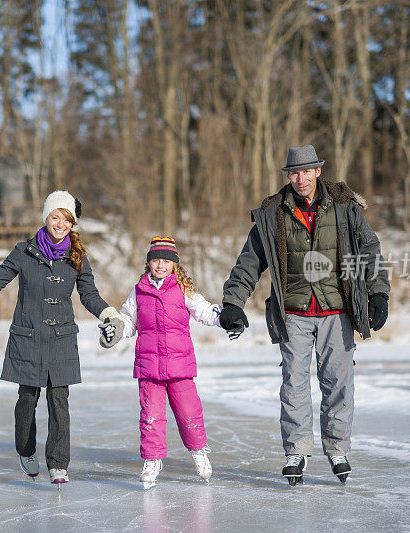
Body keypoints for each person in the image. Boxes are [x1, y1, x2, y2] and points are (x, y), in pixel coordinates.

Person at [0, 190, 124, 486]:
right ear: (46, 218)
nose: (60, 224)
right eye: (55, 217)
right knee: (27, 399)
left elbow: (89, 295)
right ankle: (26, 450)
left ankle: (58, 464)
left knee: (60, 400)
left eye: (66, 219)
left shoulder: (77, 255)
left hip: (61, 338)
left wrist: (111, 316)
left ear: (72, 224)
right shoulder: (24, 251)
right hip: (28, 336)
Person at [219, 145, 390, 485]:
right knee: (294, 384)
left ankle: (337, 448)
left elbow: (369, 249)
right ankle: (296, 449)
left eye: (306, 172)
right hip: (293, 312)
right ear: (288, 176)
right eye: (293, 173)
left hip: (337, 309)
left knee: (338, 383)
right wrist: (233, 301)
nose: (300, 179)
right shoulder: (273, 215)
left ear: (317, 172)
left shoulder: (345, 208)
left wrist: (378, 292)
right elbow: (250, 262)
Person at [101, 236, 223, 487]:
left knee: (189, 414)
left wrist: (225, 317)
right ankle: (152, 460)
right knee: (151, 417)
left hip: (180, 367)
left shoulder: (183, 289)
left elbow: (204, 312)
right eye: (155, 260)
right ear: (148, 264)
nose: (160, 265)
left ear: (174, 265)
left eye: (166, 261)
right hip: (149, 368)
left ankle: (199, 452)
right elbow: (127, 322)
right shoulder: (138, 292)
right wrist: (115, 331)